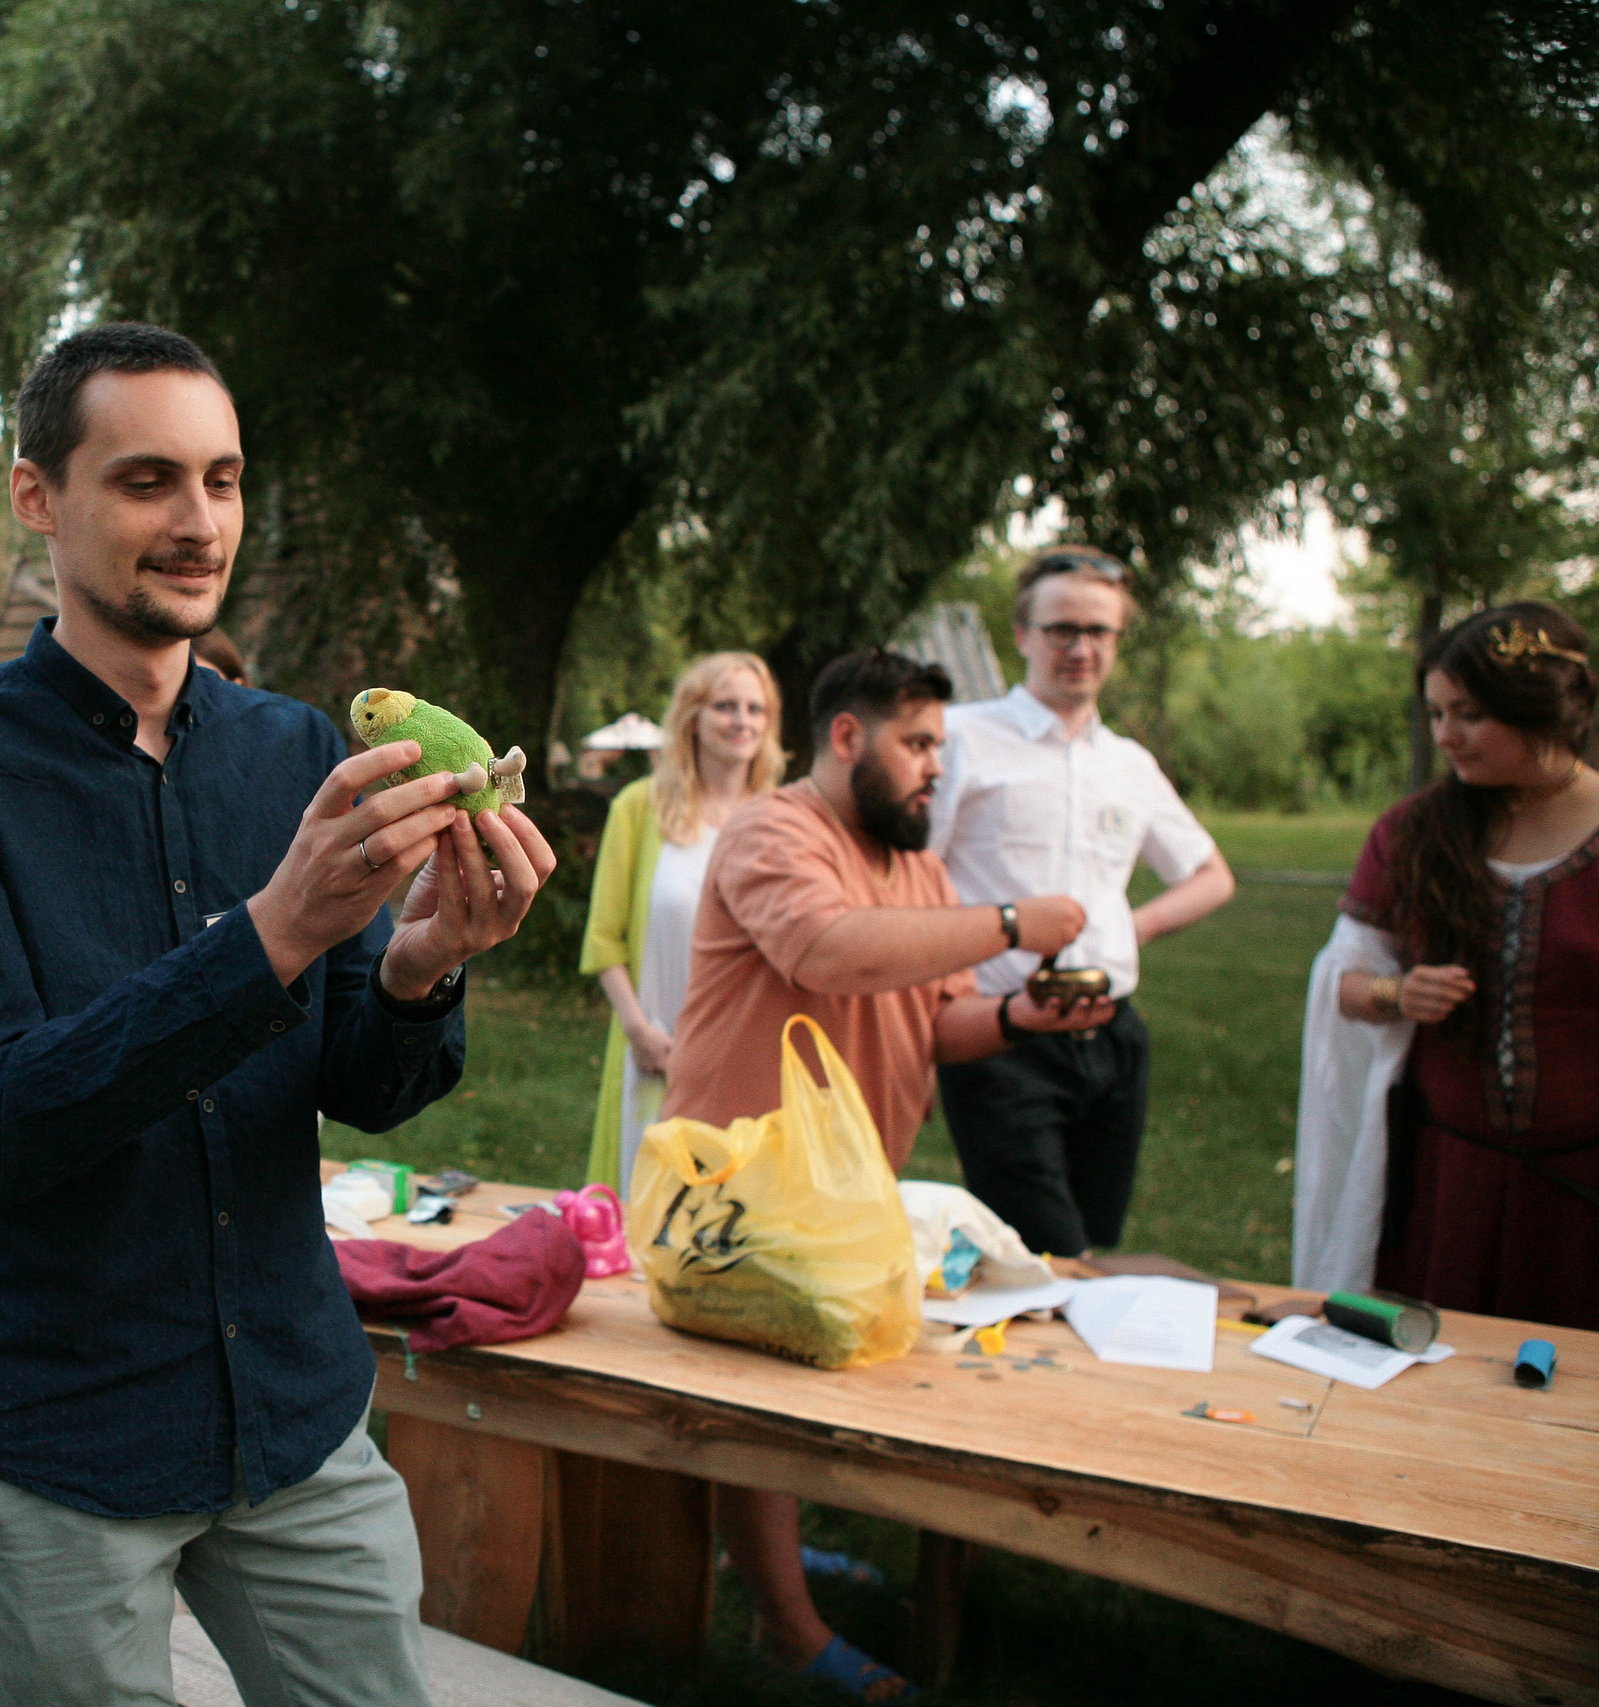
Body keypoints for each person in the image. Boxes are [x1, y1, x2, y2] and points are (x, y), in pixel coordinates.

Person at [0, 324, 555, 1707]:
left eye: (224, 481)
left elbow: (360, 1072)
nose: (199, 523)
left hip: (297, 1412)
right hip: (62, 1433)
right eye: (148, 480)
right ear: (38, 498)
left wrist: (419, 968)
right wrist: (276, 931)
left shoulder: (297, 746)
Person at [661, 646, 1108, 1705]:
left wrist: (1015, 1015)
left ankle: (768, 1550)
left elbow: (932, 1015)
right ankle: (786, 1629)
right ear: (848, 738)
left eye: (940, 748)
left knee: (804, 1384)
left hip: (840, 1188)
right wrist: (1010, 926)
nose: (933, 768)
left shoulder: (917, 865)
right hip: (737, 1182)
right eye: (916, 744)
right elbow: (830, 952)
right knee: (765, 1399)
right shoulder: (774, 830)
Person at [1296, 602, 1598, 1330]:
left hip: (1585, 1192)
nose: (1446, 736)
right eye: (1435, 714)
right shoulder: (1414, 832)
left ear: (1541, 706)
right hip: (1445, 1185)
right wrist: (1399, 992)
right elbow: (1345, 980)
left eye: (1468, 713)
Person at [929, 547, 1234, 1257]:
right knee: (1042, 1252)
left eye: (1100, 631)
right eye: (1062, 627)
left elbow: (1211, 873)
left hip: (1114, 1040)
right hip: (1003, 1037)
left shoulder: (1127, 763)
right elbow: (916, 876)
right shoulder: (962, 739)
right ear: (1022, 633)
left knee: (1094, 1249)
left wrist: (1130, 928)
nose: (1081, 647)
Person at [581, 652, 784, 1194]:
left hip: (748, 1049)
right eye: (725, 706)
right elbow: (603, 940)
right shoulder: (639, 808)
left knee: (741, 1205)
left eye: (755, 709)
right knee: (648, 1203)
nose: (742, 721)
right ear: (692, 716)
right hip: (657, 1045)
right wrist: (638, 1031)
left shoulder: (780, 818)